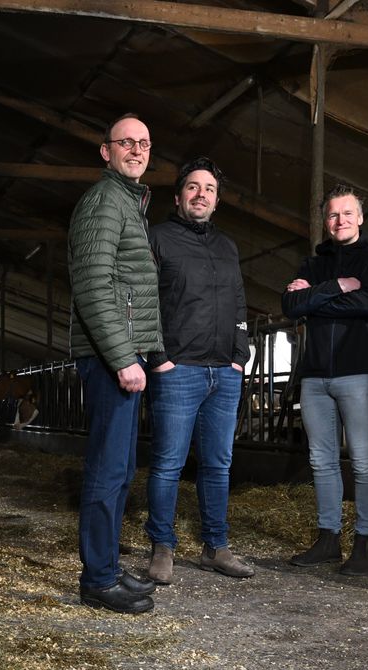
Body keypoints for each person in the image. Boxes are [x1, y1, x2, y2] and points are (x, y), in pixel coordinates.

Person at [143, 156, 253, 585]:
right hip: (178, 370)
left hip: (223, 372)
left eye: (208, 188)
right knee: (168, 463)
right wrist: (159, 357)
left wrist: (240, 356)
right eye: (193, 187)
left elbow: (240, 301)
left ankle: (215, 546)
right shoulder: (159, 239)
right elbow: (145, 300)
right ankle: (163, 546)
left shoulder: (228, 246)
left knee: (218, 464)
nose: (200, 194)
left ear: (217, 200)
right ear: (179, 196)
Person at [68, 113, 162, 614]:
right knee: (107, 469)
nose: (136, 149)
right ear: (105, 151)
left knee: (122, 467)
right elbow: (94, 286)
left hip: (123, 353)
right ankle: (97, 579)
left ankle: (105, 567)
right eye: (126, 142)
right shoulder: (105, 201)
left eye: (144, 143)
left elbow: (137, 289)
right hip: (109, 357)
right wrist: (125, 358)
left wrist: (154, 353)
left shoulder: (129, 202)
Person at [282, 187, 368, 576]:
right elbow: (290, 305)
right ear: (325, 221)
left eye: (348, 213)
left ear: (360, 218)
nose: (341, 220)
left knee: (364, 461)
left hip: (359, 372)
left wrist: (314, 299)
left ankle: (364, 546)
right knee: (321, 460)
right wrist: (334, 287)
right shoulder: (312, 264)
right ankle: (328, 538)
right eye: (333, 215)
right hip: (314, 376)